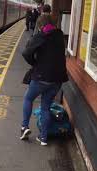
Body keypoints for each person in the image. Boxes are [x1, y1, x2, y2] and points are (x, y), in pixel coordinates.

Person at [20, 14, 69, 146]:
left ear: (41, 26)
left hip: (42, 78)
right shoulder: (60, 36)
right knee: (46, 107)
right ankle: (43, 138)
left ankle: (24, 127)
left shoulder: (41, 36)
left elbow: (26, 53)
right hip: (57, 80)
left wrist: (34, 62)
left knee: (28, 98)